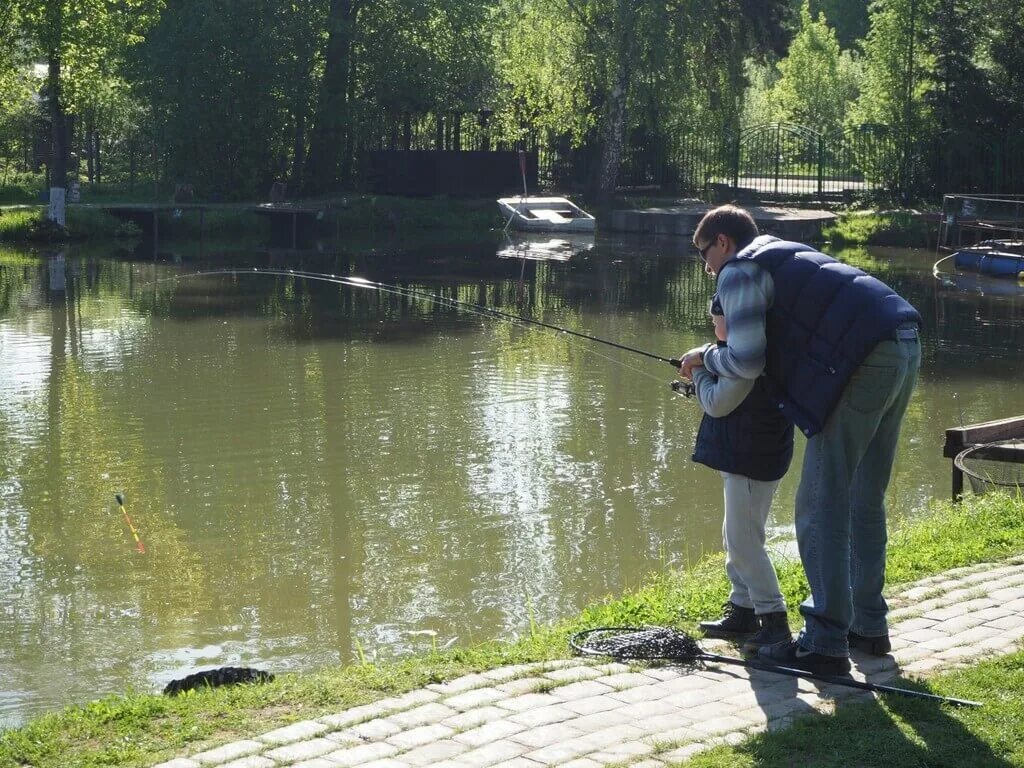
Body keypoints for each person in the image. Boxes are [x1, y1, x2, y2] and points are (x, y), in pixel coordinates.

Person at [679, 205, 922, 675]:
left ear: (723, 243)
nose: (706, 266)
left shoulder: (738, 271)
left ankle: (825, 642)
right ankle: (869, 627)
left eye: (704, 254)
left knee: (818, 504)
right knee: (863, 496)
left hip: (865, 359)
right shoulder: (780, 253)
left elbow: (745, 360)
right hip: (903, 338)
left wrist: (705, 355)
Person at [690, 297, 794, 654]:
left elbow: (718, 403)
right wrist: (704, 359)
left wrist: (699, 372)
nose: (711, 326)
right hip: (750, 455)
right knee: (737, 534)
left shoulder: (744, 361)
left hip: (751, 458)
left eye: (713, 319)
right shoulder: (748, 349)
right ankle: (743, 609)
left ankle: (774, 619)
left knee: (744, 540)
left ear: (729, 321)